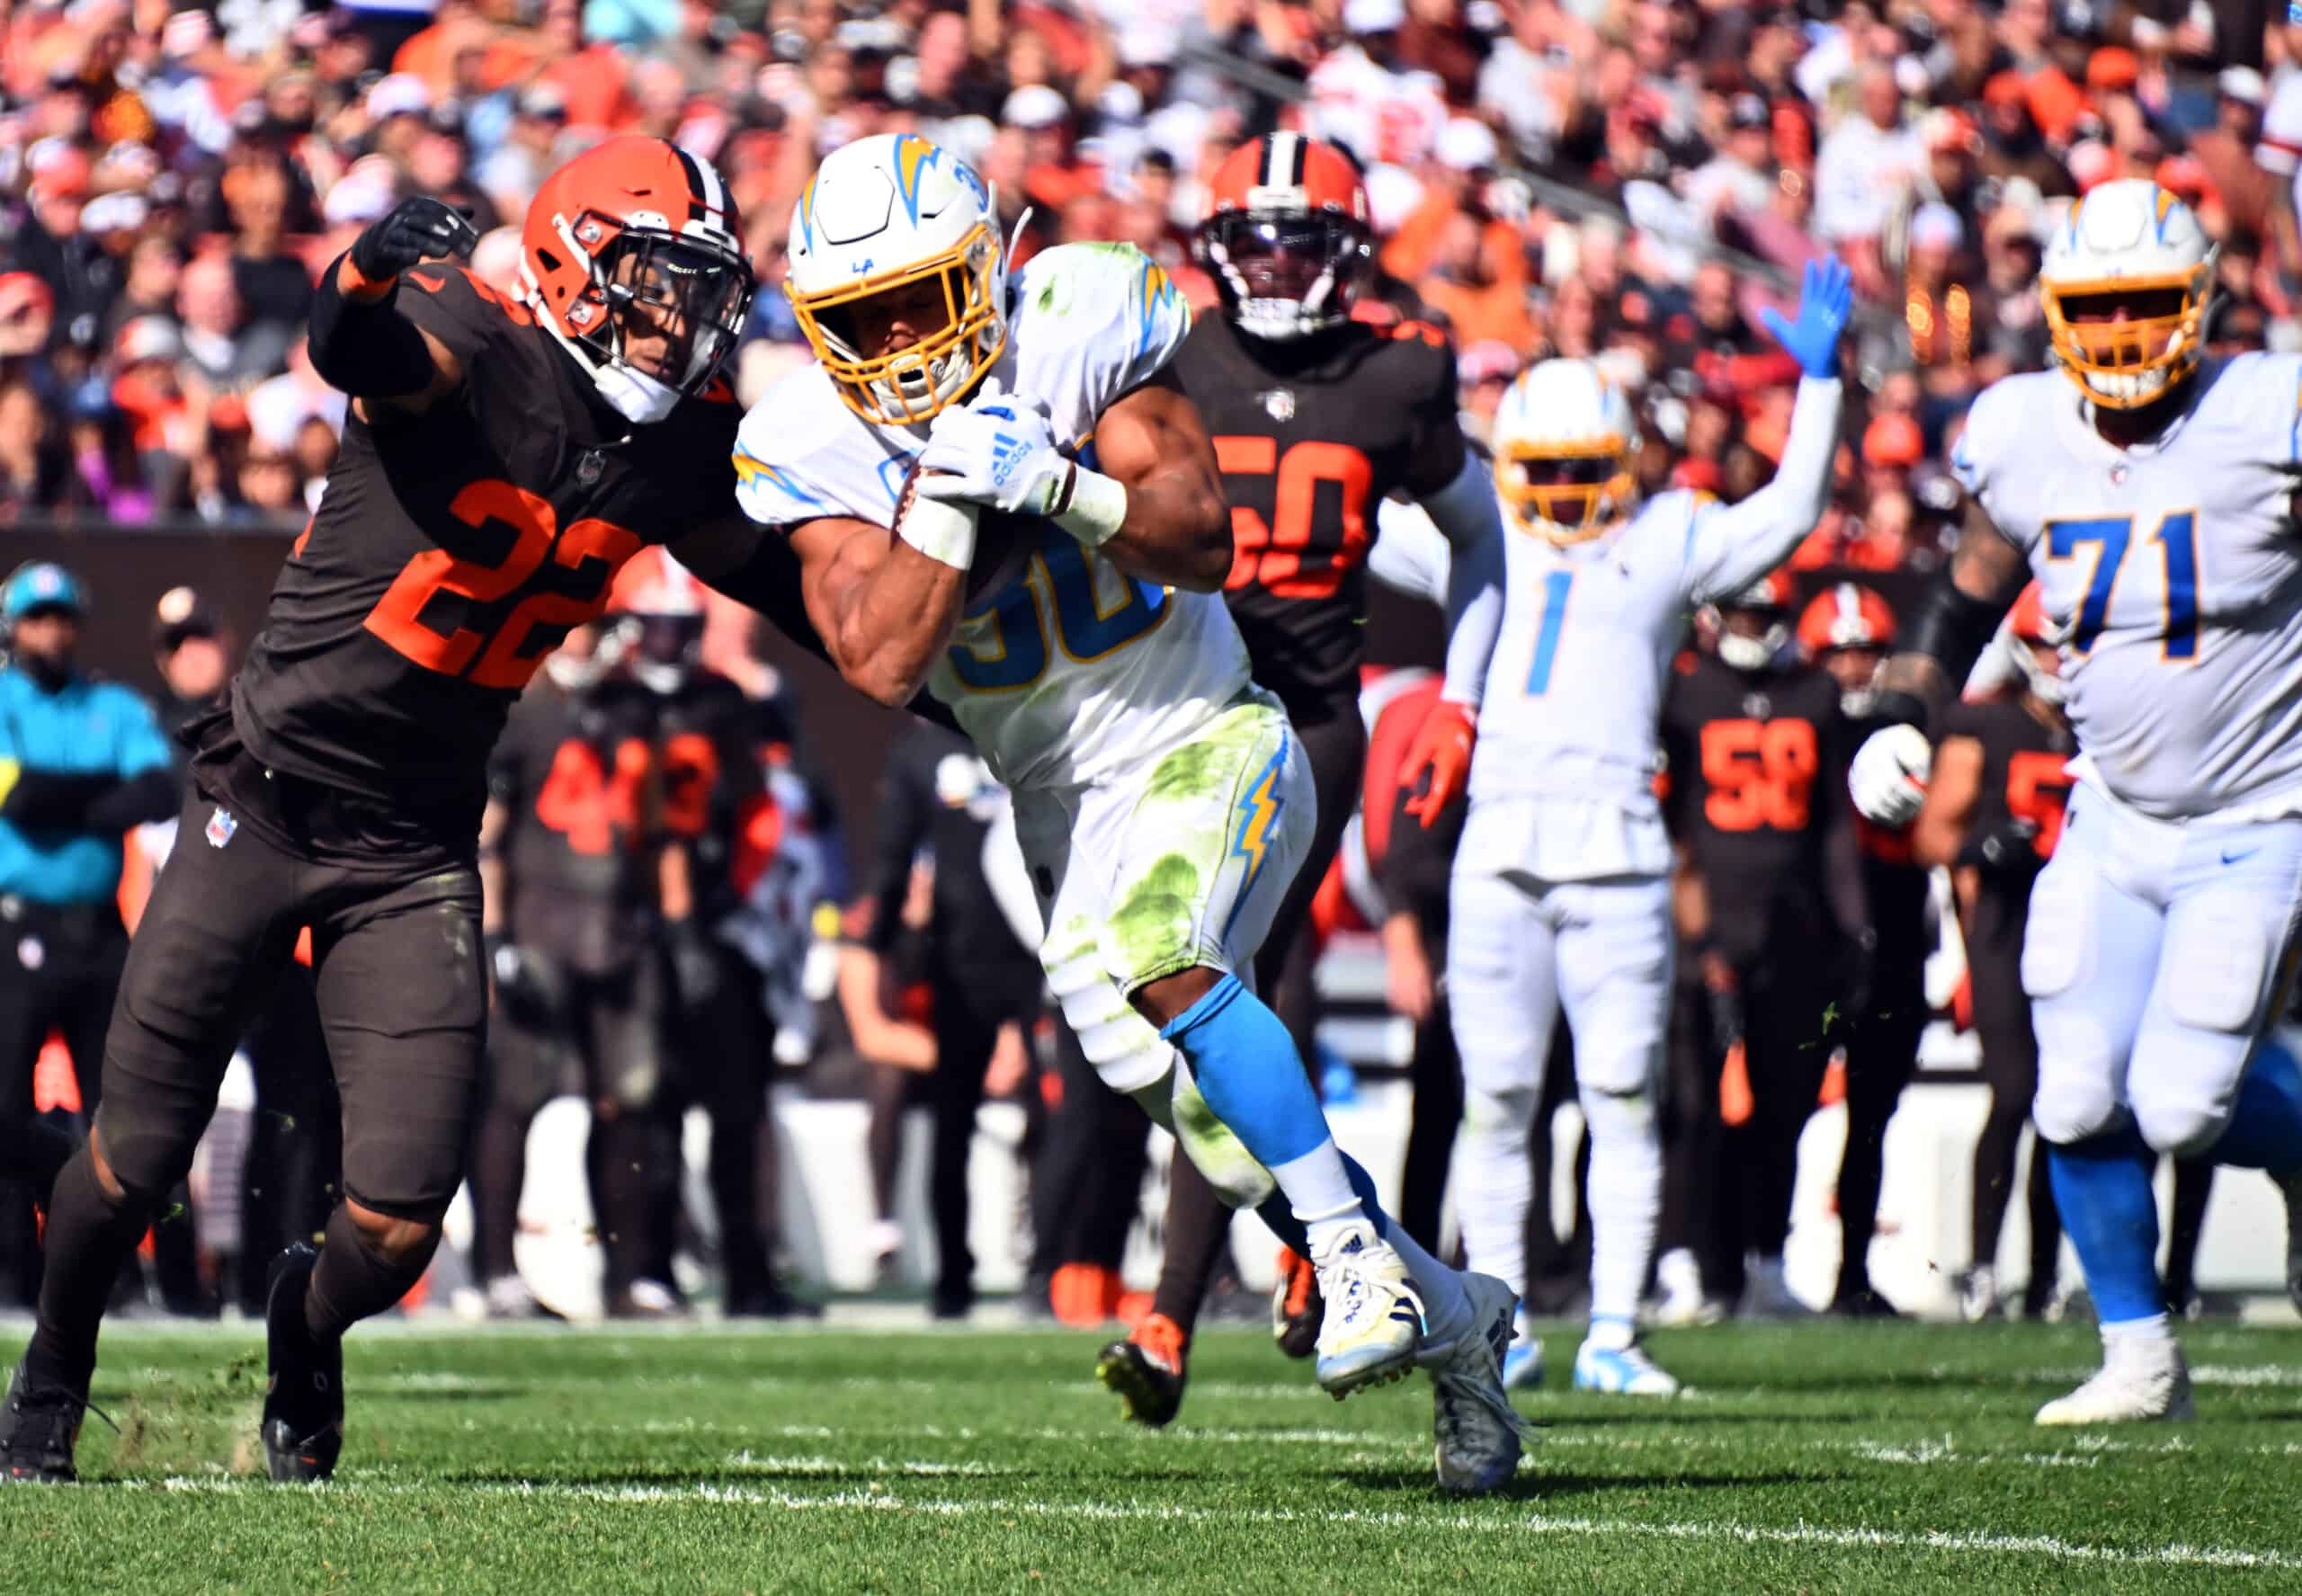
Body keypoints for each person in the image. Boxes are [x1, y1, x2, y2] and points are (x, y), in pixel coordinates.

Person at [0, 135, 850, 1486]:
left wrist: (950, 640)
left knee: (394, 1223)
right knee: (138, 1148)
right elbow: (358, 348)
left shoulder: (681, 448)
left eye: (700, 290)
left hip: (410, 844)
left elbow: (809, 605)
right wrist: (359, 267)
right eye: (656, 283)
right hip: (264, 800)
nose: (680, 319)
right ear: (573, 268)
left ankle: (301, 1322)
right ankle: (49, 1377)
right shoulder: (471, 334)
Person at [731, 131, 1523, 1495]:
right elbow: (877, 656)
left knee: (1170, 942)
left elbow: (1205, 534)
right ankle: (1457, 1318)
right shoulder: (804, 436)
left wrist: (1058, 484)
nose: (907, 339)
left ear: (989, 268)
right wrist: (944, 503)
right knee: (1207, 1114)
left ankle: (1347, 1265)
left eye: (928, 296)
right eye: (868, 318)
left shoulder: (1082, 316)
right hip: (1058, 801)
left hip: (1203, 729)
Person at [1848, 180, 2302, 1424]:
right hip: (2112, 811)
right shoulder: (2025, 430)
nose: (2118, 335)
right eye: (2097, 309)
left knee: (2181, 1097)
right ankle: (2138, 1350)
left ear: (2201, 303)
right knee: (2075, 1084)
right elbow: (1973, 579)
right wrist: (1903, 707)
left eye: (2146, 305)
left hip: (2259, 813)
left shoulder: (2266, 413)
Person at [1105, 132, 1505, 1426]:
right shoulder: (1168, 354)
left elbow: (1480, 536)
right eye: (1255, 237)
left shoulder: (1393, 376)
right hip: (1178, 709)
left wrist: (1464, 693)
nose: (1275, 263)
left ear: (1348, 252)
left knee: (1217, 973)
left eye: (1302, 239)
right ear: (1218, 247)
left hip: (1308, 717)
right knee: (1195, 983)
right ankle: (1306, 1245)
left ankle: (1192, 1296)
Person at [1450, 256, 1848, 1399]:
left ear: (1621, 464)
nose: (1567, 493)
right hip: (1500, 843)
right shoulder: (1480, 527)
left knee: (1624, 1092)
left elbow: (1790, 514)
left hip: (1619, 851)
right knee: (1499, 1095)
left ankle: (1615, 1326)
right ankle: (1502, 1318)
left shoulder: (1664, 537)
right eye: (1547, 471)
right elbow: (1361, 531)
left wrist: (1817, 390)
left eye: (1585, 469)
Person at [1662, 568, 1868, 1322]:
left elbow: (1836, 828)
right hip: (1706, 928)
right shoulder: (1683, 694)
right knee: (1692, 1107)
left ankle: (1766, 1263)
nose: (1754, 625)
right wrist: (1696, 931)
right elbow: (1673, 827)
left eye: (1765, 612)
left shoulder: (1812, 695)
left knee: (1784, 1106)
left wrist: (1853, 926)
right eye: (1743, 612)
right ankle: (1685, 1261)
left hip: (1792, 929)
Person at [474, 623, 680, 1319]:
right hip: (542, 928)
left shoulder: (636, 711)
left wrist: (665, 917)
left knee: (629, 1103)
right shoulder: (521, 711)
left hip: (620, 931)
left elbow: (652, 829)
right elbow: (487, 839)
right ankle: (498, 1271)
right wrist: (497, 935)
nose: (583, 639)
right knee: (518, 1095)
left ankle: (627, 1276)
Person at [0, 565, 177, 1311]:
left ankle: (134, 1277)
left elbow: (161, 787)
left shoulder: (112, 704)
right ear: (14, 624)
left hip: (100, 931)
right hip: (18, 926)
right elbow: (19, 792)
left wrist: (63, 799)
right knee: (5, 1107)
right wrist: (101, 798)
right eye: (37, 616)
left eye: (62, 616)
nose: (52, 629)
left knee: (123, 1111)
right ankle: (13, 1272)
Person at [1910, 584, 2070, 1322]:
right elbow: (1931, 835)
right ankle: (1977, 1265)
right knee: (2013, 1096)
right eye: (2045, 642)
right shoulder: (1987, 726)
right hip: (2005, 932)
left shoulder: (2107, 726)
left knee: (2070, 1108)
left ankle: (2044, 1277)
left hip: (2083, 931)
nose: (2058, 658)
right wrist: (1984, 845)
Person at [1798, 584, 1925, 1319]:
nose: (1851, 667)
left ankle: (1851, 1273)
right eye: (1838, 651)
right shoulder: (1802, 727)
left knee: (1873, 1117)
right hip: (1818, 950)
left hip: (1897, 942)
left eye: (1865, 650)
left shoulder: (1909, 728)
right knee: (1782, 1112)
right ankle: (1748, 1265)